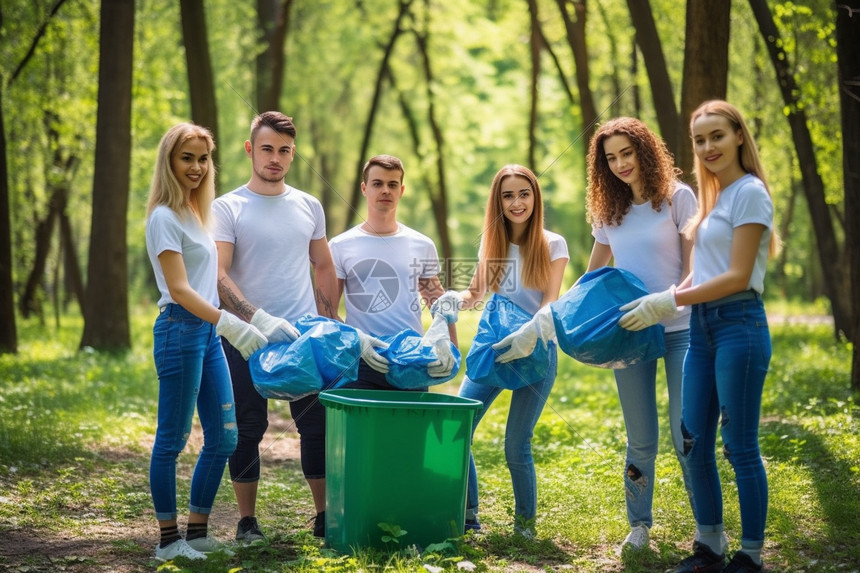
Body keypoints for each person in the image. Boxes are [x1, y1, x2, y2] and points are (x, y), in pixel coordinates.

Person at [619, 100, 776, 573]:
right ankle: (709, 546)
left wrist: (670, 303)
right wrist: (667, 295)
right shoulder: (715, 201)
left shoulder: (750, 193)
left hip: (739, 324)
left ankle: (749, 555)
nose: (708, 147)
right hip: (704, 331)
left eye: (717, 136)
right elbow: (699, 273)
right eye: (700, 139)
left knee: (740, 445)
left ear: (739, 138)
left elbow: (738, 275)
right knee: (691, 442)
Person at [212, 111, 370, 540]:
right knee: (247, 427)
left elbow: (323, 263)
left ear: (293, 154)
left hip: (301, 339)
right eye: (267, 149)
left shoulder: (307, 204)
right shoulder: (227, 207)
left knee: (315, 426)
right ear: (250, 149)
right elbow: (218, 272)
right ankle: (247, 521)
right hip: (245, 338)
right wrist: (254, 318)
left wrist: (325, 318)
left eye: (284, 151)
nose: (275, 158)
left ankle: (324, 517)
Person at [145, 123, 267, 561]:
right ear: (169, 162)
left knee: (225, 437)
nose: (196, 167)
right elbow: (179, 288)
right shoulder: (163, 217)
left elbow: (209, 278)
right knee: (173, 439)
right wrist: (229, 323)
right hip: (180, 328)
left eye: (203, 158)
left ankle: (196, 532)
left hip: (208, 332)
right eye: (186, 158)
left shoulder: (199, 214)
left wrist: (247, 318)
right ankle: (167, 541)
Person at [433, 164, 569, 537]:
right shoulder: (491, 243)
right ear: (498, 201)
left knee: (516, 444)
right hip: (494, 348)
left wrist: (530, 332)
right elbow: (475, 294)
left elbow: (551, 302)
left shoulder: (553, 244)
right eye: (508, 195)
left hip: (536, 350)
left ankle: (524, 527)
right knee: (458, 428)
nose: (517, 202)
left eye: (524, 193)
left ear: (535, 197)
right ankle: (469, 514)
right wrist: (452, 299)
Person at [582, 117, 698, 552]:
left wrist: (666, 302)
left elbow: (694, 271)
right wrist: (557, 318)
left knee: (687, 434)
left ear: (645, 151)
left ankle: (708, 526)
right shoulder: (611, 211)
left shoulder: (677, 199)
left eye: (626, 153)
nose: (619, 164)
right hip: (630, 333)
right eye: (610, 158)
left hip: (682, 329)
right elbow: (592, 276)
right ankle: (639, 526)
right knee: (640, 438)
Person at [330, 154, 455, 390]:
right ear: (365, 189)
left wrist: (451, 347)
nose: (385, 190)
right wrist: (355, 341)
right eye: (378, 184)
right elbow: (326, 310)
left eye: (392, 184)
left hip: (412, 360)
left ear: (402, 190)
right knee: (362, 428)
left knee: (409, 427)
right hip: (361, 361)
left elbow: (438, 303)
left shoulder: (422, 244)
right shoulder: (340, 245)